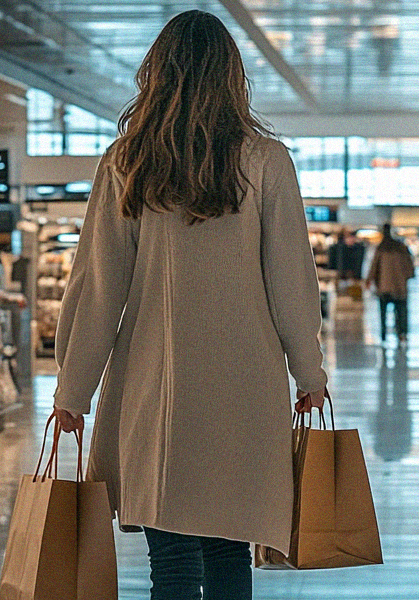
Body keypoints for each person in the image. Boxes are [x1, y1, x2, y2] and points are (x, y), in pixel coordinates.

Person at [51, 11, 328, 600]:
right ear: (232, 76)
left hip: (156, 387)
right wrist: (308, 369)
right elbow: (291, 280)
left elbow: (100, 286)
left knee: (172, 559)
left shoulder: (128, 162)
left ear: (157, 74)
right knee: (231, 552)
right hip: (245, 388)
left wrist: (72, 392)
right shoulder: (266, 161)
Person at [367, 223, 415, 342]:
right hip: (400, 287)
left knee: (383, 313)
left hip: (384, 287)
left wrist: (369, 280)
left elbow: (374, 267)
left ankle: (383, 335)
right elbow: (409, 267)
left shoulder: (381, 248)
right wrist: (406, 277)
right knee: (401, 312)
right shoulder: (401, 247)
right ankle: (402, 333)